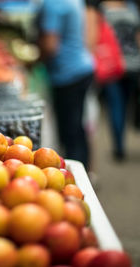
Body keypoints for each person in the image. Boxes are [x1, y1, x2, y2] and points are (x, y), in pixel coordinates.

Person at [38, 0, 95, 170]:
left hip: (67, 74)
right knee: (77, 127)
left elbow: (50, 46)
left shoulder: (53, 4)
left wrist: (34, 60)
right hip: (82, 68)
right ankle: (86, 172)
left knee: (70, 131)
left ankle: (75, 176)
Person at [99, 0, 140, 160]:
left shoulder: (103, 9)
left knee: (115, 105)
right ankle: (120, 142)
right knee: (124, 104)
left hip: (112, 66)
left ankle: (119, 146)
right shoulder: (132, 9)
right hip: (134, 64)